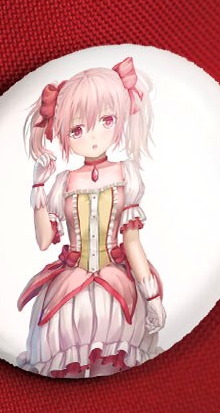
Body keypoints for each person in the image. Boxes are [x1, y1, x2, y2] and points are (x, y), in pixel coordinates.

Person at [18, 57, 165, 378]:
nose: (93, 136)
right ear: (63, 133)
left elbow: (132, 243)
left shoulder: (127, 175)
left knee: (113, 373)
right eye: (78, 129)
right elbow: (44, 240)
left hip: (118, 291)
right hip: (69, 294)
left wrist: (151, 295)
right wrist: (38, 186)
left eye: (106, 120)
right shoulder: (63, 182)